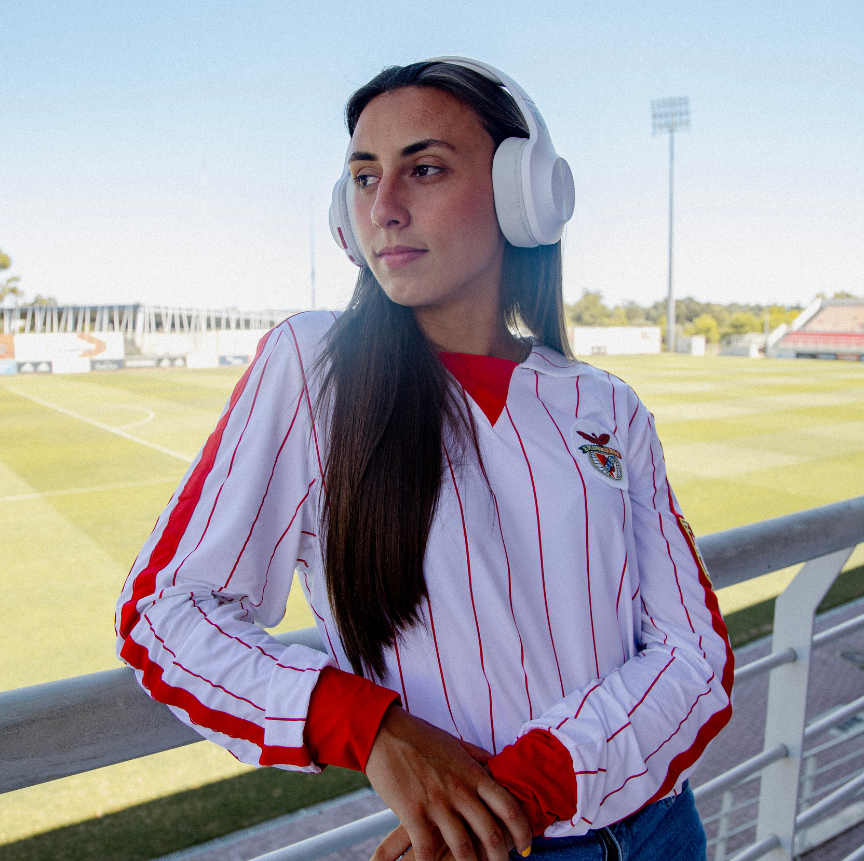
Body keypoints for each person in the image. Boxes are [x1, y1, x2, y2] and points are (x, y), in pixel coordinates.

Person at [116, 58, 733, 861]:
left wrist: (535, 781)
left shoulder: (605, 405)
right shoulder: (314, 365)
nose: (386, 207)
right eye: (365, 178)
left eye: (426, 168)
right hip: (481, 848)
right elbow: (165, 613)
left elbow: (696, 655)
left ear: (523, 195)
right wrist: (373, 731)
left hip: (663, 831)